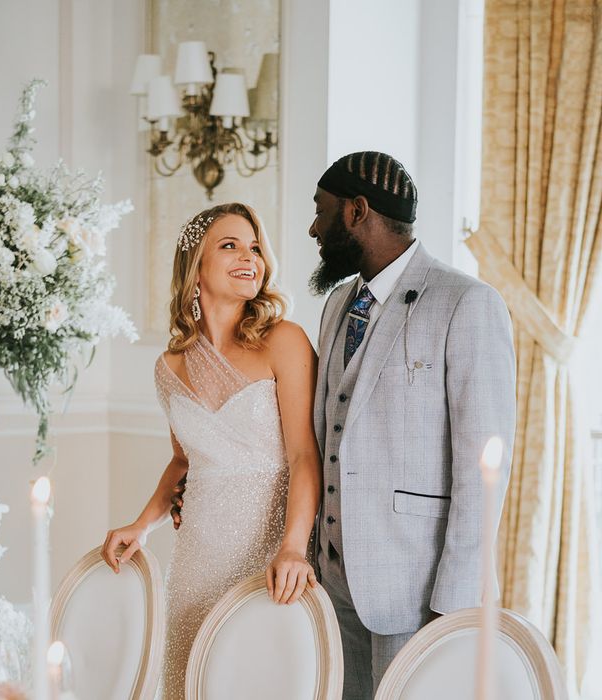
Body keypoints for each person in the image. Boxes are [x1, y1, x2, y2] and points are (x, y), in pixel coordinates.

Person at [309, 151, 517, 698]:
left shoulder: (467, 303)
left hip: (417, 589)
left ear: (357, 211)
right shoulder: (336, 306)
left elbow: (484, 465)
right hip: (333, 585)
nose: (313, 227)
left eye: (321, 211)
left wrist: (456, 602)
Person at [102, 202, 322, 700]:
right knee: (189, 683)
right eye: (230, 245)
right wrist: (142, 524)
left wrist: (292, 547)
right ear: (196, 266)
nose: (250, 257)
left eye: (256, 247)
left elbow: (304, 457)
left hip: (271, 555)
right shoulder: (169, 366)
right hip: (198, 557)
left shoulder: (283, 341)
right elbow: (184, 462)